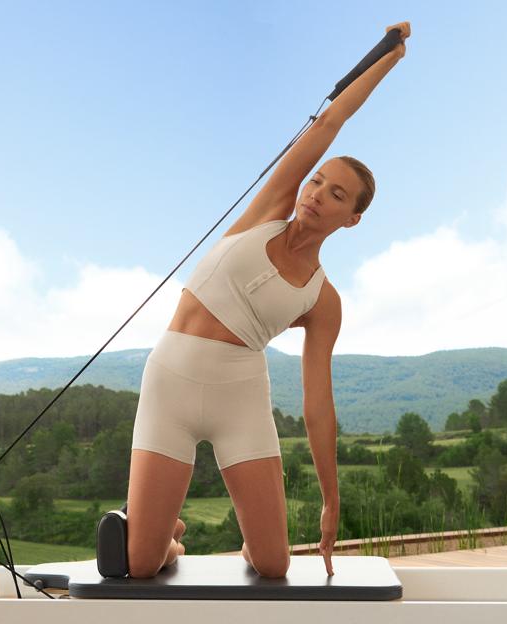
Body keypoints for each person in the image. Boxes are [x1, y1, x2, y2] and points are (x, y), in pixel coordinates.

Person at [126, 21, 411, 579]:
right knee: (141, 564)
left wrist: (332, 498)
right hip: (171, 380)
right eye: (317, 181)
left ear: (351, 219)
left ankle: (203, 534)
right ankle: (169, 537)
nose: (317, 194)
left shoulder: (322, 300)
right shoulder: (267, 212)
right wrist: (390, 56)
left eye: (336, 194)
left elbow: (318, 406)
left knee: (274, 566)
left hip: (241, 397)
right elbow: (331, 118)